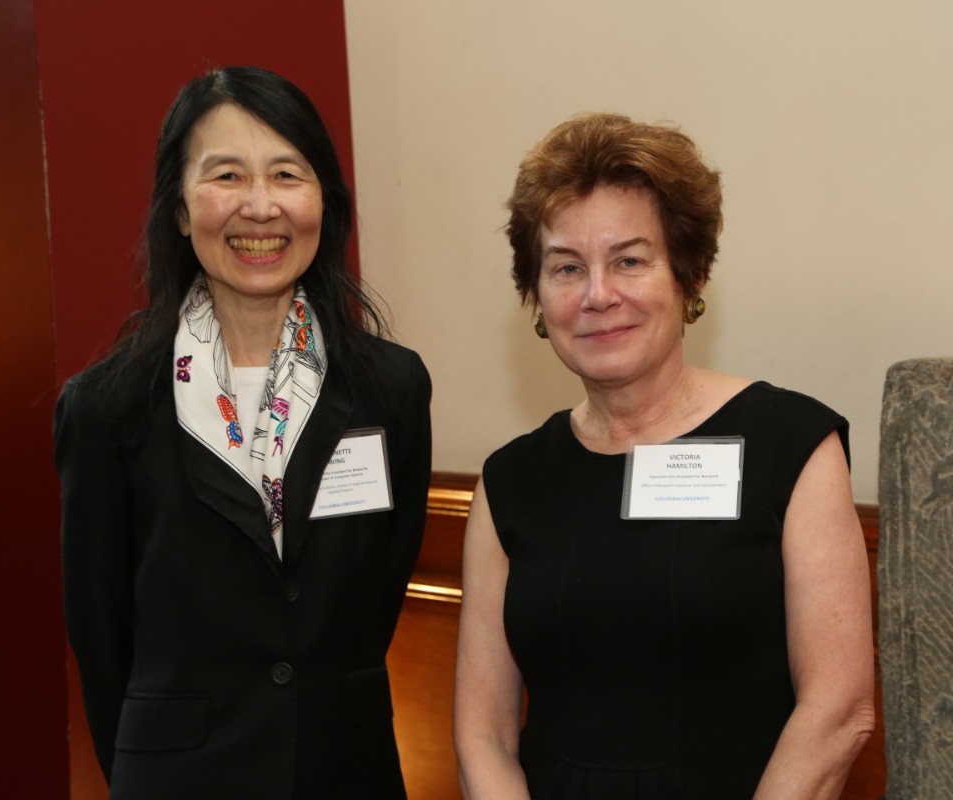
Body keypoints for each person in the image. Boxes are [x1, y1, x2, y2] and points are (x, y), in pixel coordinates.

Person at [453, 113, 874, 799]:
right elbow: (484, 737)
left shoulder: (789, 445)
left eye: (629, 260)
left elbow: (838, 713)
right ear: (536, 298)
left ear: (689, 274)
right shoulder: (511, 482)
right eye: (566, 267)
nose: (598, 294)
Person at [55, 66, 431, 799]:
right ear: (177, 207)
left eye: (287, 174)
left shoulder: (391, 388)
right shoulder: (108, 407)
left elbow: (377, 594)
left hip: (345, 771)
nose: (260, 208)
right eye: (226, 175)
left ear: (324, 200)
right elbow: (102, 639)